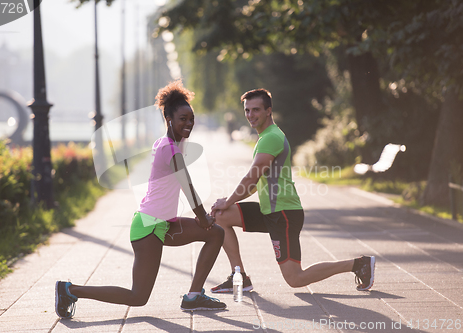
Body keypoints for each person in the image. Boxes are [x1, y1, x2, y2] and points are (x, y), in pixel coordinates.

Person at [55, 79, 226, 319]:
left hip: (163, 223)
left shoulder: (169, 143)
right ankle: (69, 290)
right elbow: (187, 185)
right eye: (183, 119)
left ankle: (194, 296)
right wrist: (202, 217)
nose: (189, 123)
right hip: (148, 226)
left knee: (216, 233)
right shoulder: (170, 148)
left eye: (191, 119)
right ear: (169, 120)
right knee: (138, 297)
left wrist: (205, 220)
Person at [210, 88, 375, 294]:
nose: (250, 115)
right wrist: (228, 202)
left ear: (269, 111)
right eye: (247, 110)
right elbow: (254, 183)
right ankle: (239, 277)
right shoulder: (265, 137)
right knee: (221, 216)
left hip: (283, 214)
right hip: (269, 211)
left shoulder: (271, 137)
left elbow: (252, 176)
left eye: (256, 110)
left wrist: (228, 201)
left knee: (295, 279)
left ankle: (358, 264)